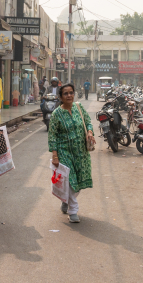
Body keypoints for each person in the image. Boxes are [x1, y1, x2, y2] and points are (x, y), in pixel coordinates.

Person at [48, 83, 94, 223]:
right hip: (64, 152)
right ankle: (73, 210)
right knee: (70, 181)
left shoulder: (79, 108)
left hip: (81, 153)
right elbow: (52, 135)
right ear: (61, 97)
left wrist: (90, 132)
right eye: (66, 93)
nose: (69, 95)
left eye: (71, 92)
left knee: (79, 181)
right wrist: (55, 155)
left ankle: (66, 200)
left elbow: (88, 122)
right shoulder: (57, 114)